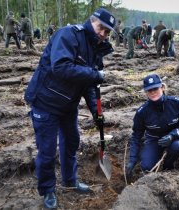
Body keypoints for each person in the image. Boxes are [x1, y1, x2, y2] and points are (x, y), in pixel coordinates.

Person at [24, 8, 116, 209]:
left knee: (72, 141)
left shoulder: (96, 49)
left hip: (68, 105)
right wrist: (94, 74)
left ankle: (70, 180)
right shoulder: (68, 35)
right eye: (101, 27)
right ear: (91, 21)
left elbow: (89, 86)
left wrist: (96, 112)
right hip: (46, 101)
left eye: (107, 32)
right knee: (47, 151)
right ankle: (48, 190)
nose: (103, 34)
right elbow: (61, 67)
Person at [125, 74, 179, 179]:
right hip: (154, 140)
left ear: (162, 87)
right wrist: (132, 161)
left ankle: (168, 167)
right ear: (146, 92)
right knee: (146, 167)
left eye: (155, 88)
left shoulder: (176, 103)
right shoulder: (142, 112)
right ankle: (154, 156)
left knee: (177, 146)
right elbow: (136, 136)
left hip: (173, 139)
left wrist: (172, 136)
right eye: (149, 90)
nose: (153, 92)